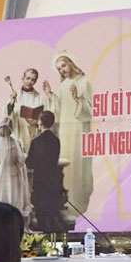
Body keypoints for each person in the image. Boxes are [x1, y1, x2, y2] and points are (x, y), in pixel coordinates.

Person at [43, 52, 93, 214]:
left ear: (71, 63)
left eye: (63, 66)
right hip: (65, 131)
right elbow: (57, 109)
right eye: (59, 69)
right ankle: (66, 201)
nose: (62, 70)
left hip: (79, 129)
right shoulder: (64, 85)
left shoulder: (84, 82)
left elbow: (90, 109)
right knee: (65, 164)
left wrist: (78, 99)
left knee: (78, 164)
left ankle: (79, 201)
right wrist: (50, 95)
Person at [0, 118, 31, 219]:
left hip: (1, 174)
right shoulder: (15, 144)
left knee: (0, 195)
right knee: (12, 195)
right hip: (13, 174)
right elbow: (20, 161)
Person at [26, 110, 66, 232]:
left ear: (40, 122)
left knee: (41, 214)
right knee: (51, 213)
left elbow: (29, 163)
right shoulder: (56, 140)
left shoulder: (36, 141)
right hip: (53, 182)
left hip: (40, 182)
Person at [6, 68, 43, 153]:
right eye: (28, 78)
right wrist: (11, 102)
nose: (30, 81)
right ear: (23, 79)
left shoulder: (39, 98)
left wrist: (37, 121)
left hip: (33, 133)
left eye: (33, 80)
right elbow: (7, 113)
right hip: (18, 132)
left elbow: (43, 117)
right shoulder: (15, 95)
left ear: (35, 81)